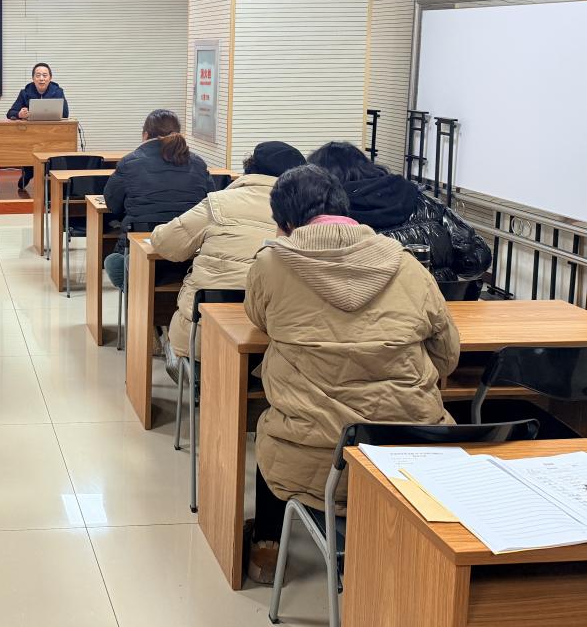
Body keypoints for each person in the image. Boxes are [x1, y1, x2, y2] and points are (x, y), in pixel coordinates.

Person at [244, 165, 460, 583]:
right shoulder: (407, 264)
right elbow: (447, 355)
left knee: (274, 422)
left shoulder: (270, 265)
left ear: (284, 223)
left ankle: (267, 550)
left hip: (313, 460)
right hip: (409, 455)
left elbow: (259, 317)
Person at [151, 141, 306, 364]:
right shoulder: (304, 214)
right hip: (278, 342)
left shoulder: (219, 203)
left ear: (249, 168)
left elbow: (168, 244)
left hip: (202, 333)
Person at [307, 141, 491, 298]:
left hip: (374, 317)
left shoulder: (330, 216)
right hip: (437, 312)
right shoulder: (425, 201)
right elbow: (478, 258)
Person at [102, 109, 215, 291]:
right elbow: (211, 202)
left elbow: (113, 204)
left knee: (113, 261)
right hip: (190, 250)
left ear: (145, 135)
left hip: (141, 241)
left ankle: (137, 290)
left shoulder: (129, 162)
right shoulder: (198, 164)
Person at [7, 62, 69, 189]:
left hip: (51, 134)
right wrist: (19, 114)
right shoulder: (25, 92)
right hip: (31, 136)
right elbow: (10, 113)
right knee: (29, 147)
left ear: (50, 78)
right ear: (33, 78)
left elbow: (65, 113)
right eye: (38, 75)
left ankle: (51, 178)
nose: (41, 78)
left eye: (45, 75)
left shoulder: (58, 92)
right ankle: (28, 172)